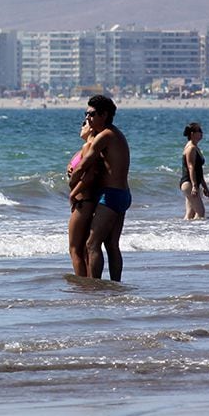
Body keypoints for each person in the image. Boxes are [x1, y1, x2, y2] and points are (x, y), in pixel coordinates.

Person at [70, 95, 131, 281]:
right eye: (86, 114)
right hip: (122, 194)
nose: (88, 118)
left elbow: (83, 166)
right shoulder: (115, 134)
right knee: (112, 244)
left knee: (91, 243)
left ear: (104, 115)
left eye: (92, 114)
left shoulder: (105, 136)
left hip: (111, 196)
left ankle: (95, 286)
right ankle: (116, 285)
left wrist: (71, 186)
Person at [66, 117, 99, 277]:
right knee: (84, 248)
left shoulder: (88, 147)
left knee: (75, 249)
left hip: (83, 201)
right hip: (85, 201)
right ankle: (88, 284)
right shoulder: (85, 148)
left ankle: (83, 285)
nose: (82, 126)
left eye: (84, 124)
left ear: (91, 128)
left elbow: (90, 176)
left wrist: (73, 193)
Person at [180, 122, 209, 220]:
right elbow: (191, 167)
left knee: (190, 214)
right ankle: (198, 234)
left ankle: (185, 233)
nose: (202, 133)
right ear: (192, 134)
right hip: (189, 183)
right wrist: (194, 186)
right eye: (199, 131)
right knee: (200, 212)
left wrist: (204, 186)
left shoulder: (195, 147)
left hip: (191, 183)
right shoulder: (191, 148)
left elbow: (199, 170)